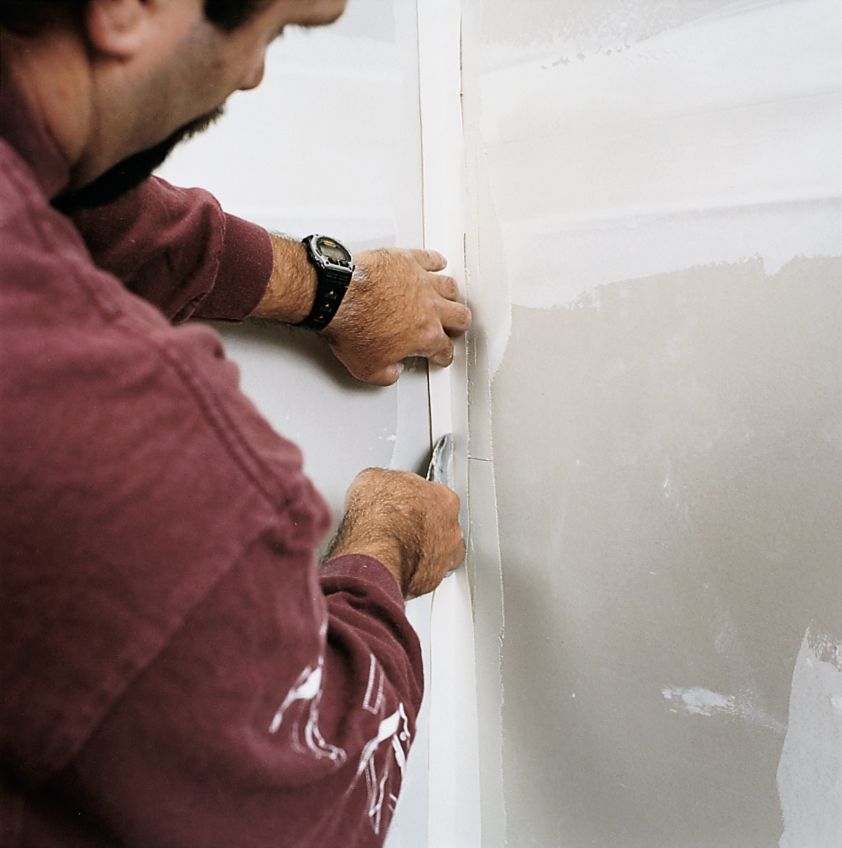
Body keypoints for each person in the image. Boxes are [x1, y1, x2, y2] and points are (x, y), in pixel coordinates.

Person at [0, 1, 471, 846]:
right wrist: (385, 552)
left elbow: (78, 210)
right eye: (273, 30)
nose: (253, 72)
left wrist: (332, 291)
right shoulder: (128, 444)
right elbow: (315, 811)